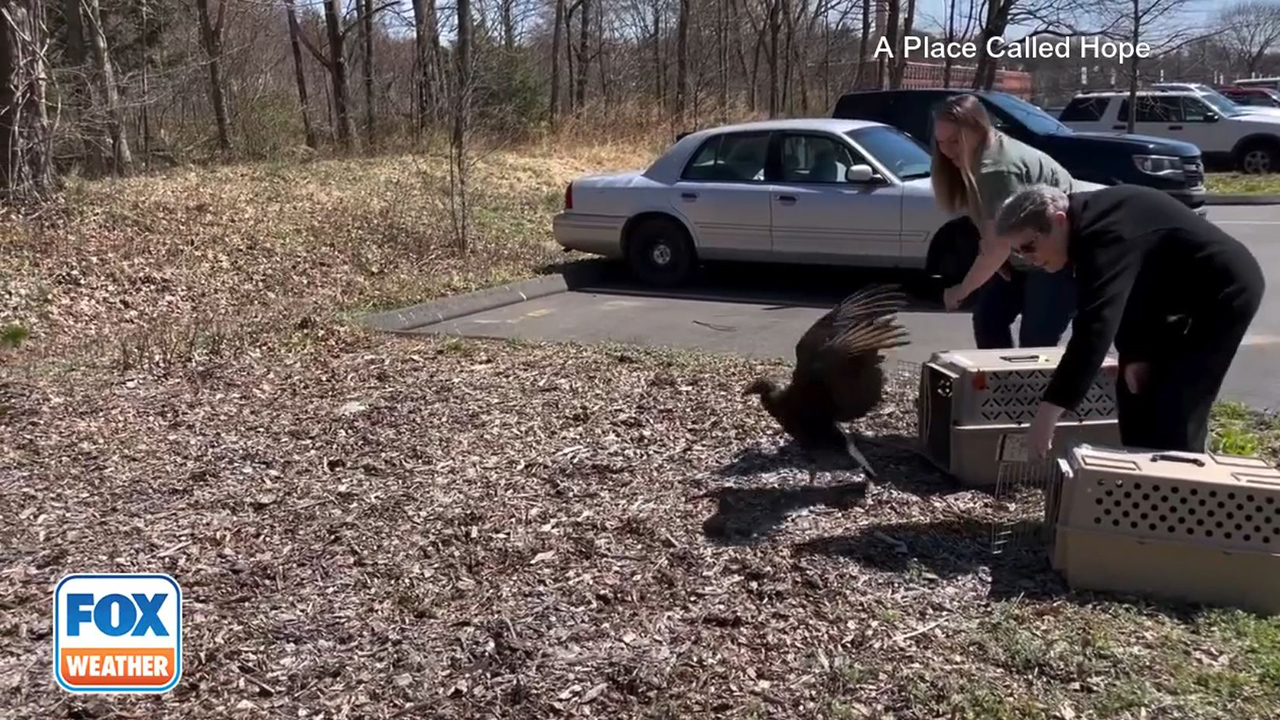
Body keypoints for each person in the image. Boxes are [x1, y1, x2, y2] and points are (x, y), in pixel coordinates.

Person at [992, 183, 1266, 458]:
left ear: (1058, 221)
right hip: (1165, 296)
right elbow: (1127, 294)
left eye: (1028, 247)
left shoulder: (1103, 233)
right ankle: (1142, 480)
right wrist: (1136, 353)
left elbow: (1095, 325)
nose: (1028, 259)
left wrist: (1048, 412)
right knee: (1135, 394)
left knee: (1180, 401)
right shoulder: (1084, 229)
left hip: (1224, 291)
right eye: (1017, 252)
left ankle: (1183, 485)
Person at [930, 94, 1079, 349]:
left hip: (1057, 257)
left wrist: (959, 292)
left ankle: (1036, 387)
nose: (946, 151)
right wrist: (997, 255)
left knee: (1036, 342)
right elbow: (994, 231)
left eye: (955, 141)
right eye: (940, 142)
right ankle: (1000, 383)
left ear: (978, 129)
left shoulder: (997, 169)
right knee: (989, 319)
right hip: (1023, 255)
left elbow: (996, 248)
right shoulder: (985, 150)